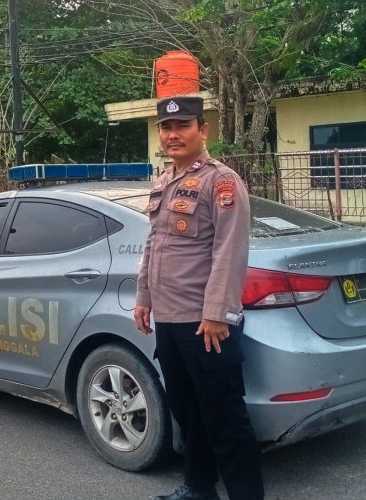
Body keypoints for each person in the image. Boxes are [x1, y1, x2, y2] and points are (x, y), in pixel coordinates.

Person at [134, 97, 264, 500]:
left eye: (183, 126)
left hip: (206, 324)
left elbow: (230, 250)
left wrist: (217, 314)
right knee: (187, 414)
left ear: (202, 130)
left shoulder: (221, 182)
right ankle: (198, 488)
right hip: (170, 322)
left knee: (225, 420)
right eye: (166, 128)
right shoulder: (162, 183)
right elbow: (153, 244)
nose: (173, 135)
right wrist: (144, 296)